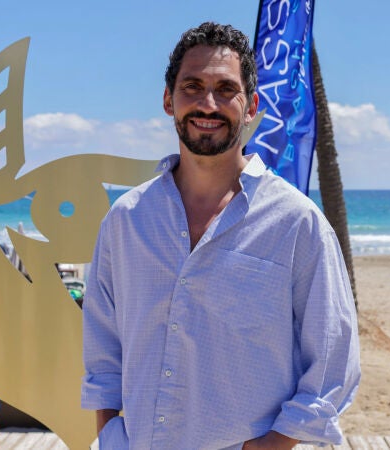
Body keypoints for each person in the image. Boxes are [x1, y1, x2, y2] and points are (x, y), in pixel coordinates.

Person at [81, 22, 360, 449]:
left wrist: (273, 445)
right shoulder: (127, 220)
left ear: (251, 107)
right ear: (168, 100)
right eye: (192, 87)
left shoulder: (296, 222)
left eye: (226, 89)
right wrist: (109, 433)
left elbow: (332, 360)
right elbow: (103, 346)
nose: (208, 104)